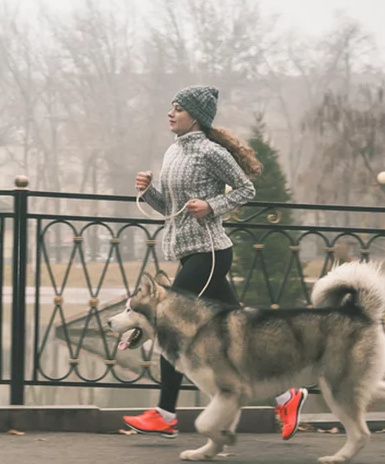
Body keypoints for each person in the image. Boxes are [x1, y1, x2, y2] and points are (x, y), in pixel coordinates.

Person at [122, 85, 308, 440]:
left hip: (209, 254)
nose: (170, 113)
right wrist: (148, 192)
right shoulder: (173, 152)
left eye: (177, 108)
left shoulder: (211, 152)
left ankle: (164, 414)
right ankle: (288, 395)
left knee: (168, 322)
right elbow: (172, 211)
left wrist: (212, 206)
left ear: (196, 117)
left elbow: (246, 190)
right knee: (243, 334)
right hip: (190, 253)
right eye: (171, 106)